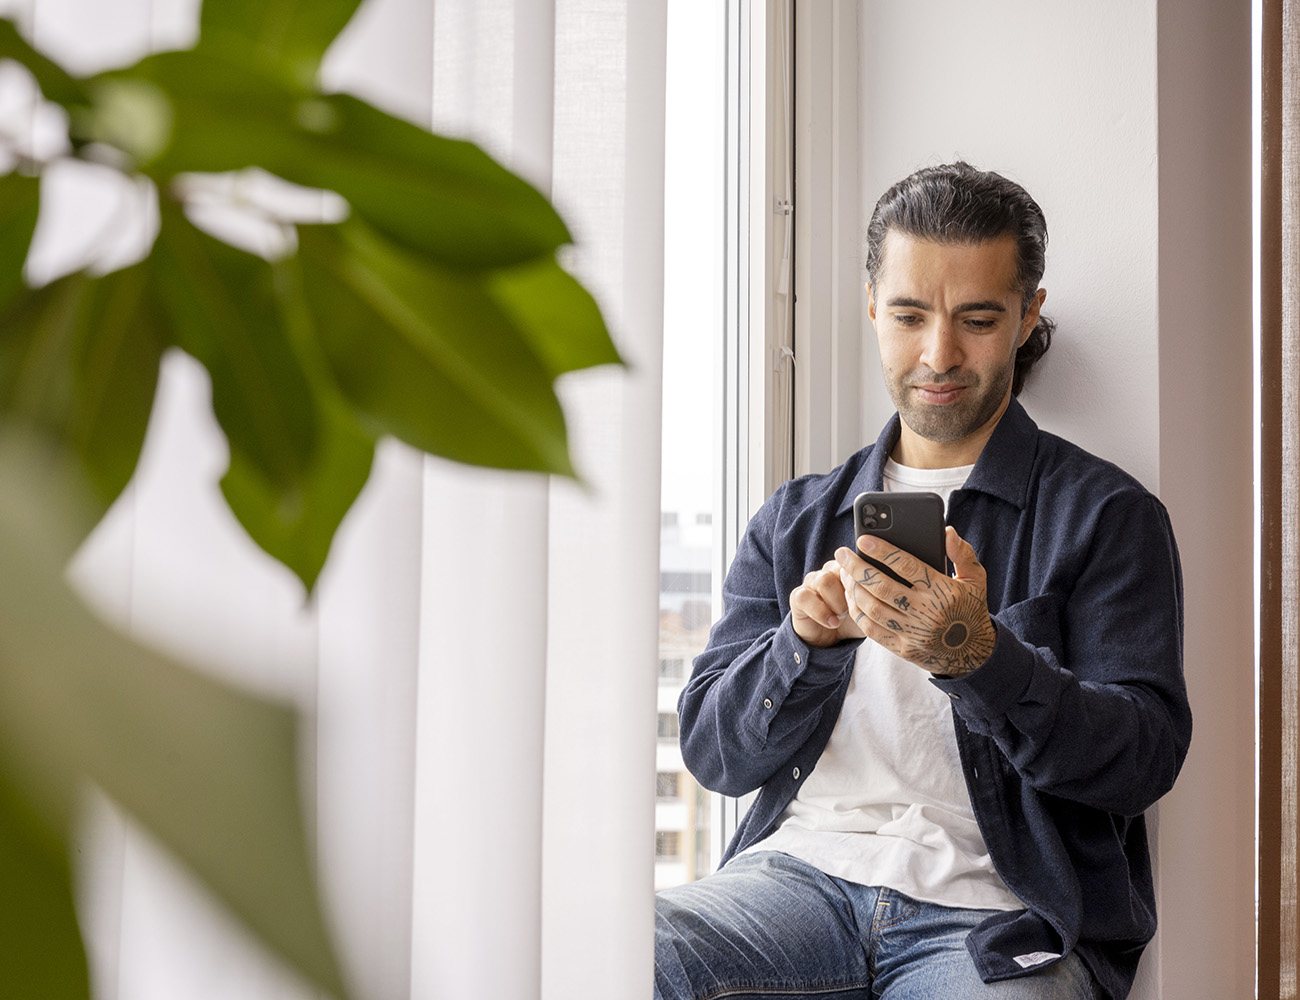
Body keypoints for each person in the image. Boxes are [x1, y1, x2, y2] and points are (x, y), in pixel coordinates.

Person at [654, 162, 1192, 1000]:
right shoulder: (795, 519)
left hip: (997, 915)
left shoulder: (1106, 516)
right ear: (872, 305)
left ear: (1027, 315)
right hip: (799, 884)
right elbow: (713, 755)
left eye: (978, 319)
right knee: (626, 952)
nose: (940, 354)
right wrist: (801, 647)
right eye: (909, 315)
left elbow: (1143, 760)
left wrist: (981, 655)